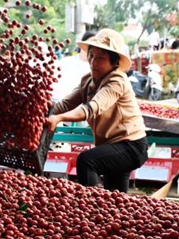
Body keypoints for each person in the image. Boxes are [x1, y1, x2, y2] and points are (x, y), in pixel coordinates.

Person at [46, 29, 148, 193]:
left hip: (131, 146)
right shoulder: (88, 80)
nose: (93, 62)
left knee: (86, 161)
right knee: (115, 198)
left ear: (114, 62)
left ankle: (92, 211)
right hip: (111, 146)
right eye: (91, 55)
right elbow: (65, 104)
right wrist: (43, 110)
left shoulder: (117, 81)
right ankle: (109, 215)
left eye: (100, 58)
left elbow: (90, 109)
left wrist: (59, 118)